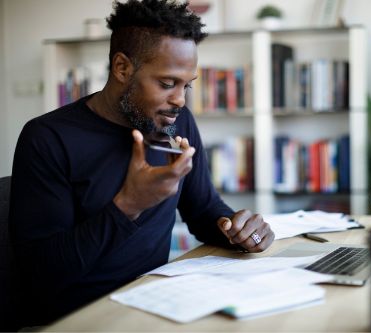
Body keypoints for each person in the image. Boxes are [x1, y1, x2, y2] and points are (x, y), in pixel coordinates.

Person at [9, 0, 274, 326]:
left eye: (187, 84)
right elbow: (43, 273)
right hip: (77, 319)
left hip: (153, 303)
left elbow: (203, 210)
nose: (180, 100)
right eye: (167, 84)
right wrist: (129, 205)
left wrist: (236, 227)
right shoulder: (48, 138)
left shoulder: (177, 121)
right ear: (122, 68)